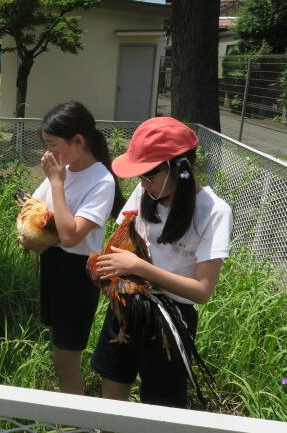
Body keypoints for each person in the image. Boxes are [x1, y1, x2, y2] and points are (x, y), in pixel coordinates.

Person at [91, 117, 232, 408]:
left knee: (162, 406)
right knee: (112, 393)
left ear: (178, 168)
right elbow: (120, 245)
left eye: (148, 176)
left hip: (171, 317)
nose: (142, 183)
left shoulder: (214, 211)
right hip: (127, 305)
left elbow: (201, 291)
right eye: (140, 177)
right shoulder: (145, 192)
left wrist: (138, 268)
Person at [19, 101, 124, 396]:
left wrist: (56, 183)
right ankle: (67, 409)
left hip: (76, 275)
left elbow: (69, 236)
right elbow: (32, 211)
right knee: (58, 350)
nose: (48, 153)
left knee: (66, 361)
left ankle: (73, 414)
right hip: (53, 265)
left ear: (78, 141)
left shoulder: (101, 181)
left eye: (53, 145)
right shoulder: (66, 170)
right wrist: (32, 238)